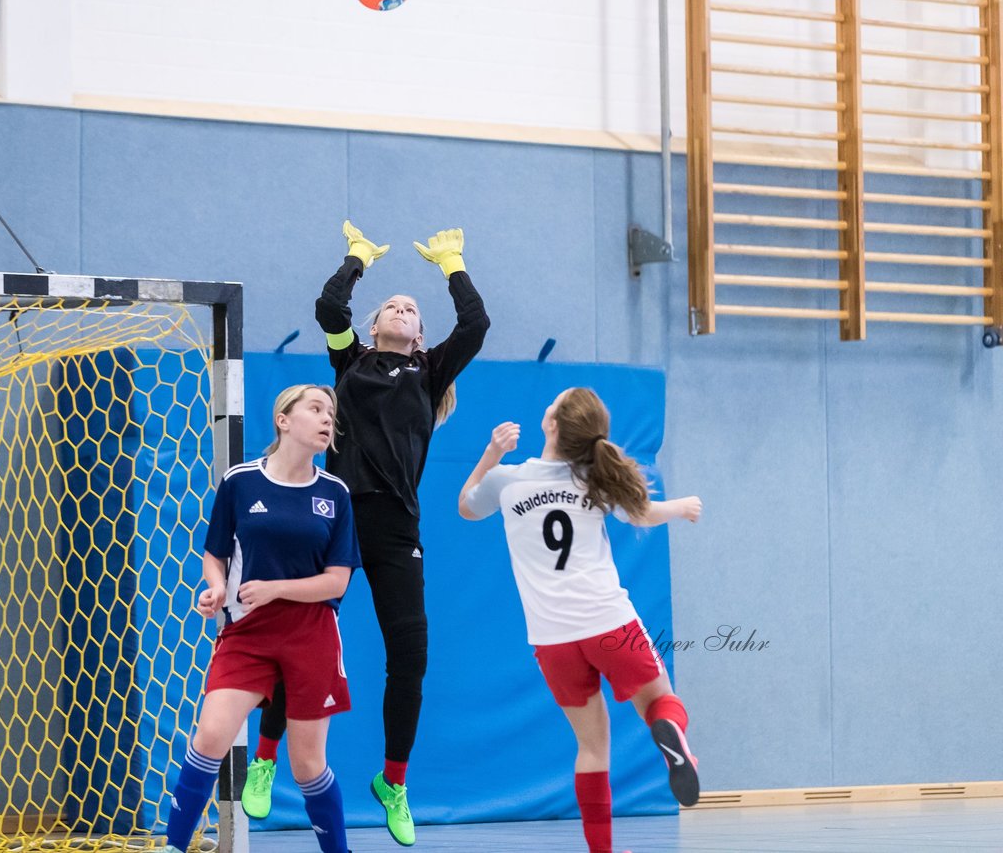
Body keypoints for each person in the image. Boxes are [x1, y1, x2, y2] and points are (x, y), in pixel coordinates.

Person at [241, 221, 490, 847]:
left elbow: (477, 325)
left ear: (420, 335)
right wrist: (356, 260)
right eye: (393, 306)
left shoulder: (430, 371)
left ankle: (394, 783)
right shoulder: (349, 360)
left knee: (411, 656)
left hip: (398, 527)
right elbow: (329, 307)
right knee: (297, 641)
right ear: (376, 325)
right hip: (337, 519)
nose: (403, 309)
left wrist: (452, 266)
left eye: (413, 309)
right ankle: (267, 756)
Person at [456, 387, 702, 853]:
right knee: (660, 701)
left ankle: (601, 852)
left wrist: (490, 454)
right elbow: (643, 514)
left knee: (591, 747)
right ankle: (671, 737)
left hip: (552, 639)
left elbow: (466, 507)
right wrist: (681, 507)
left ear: (551, 426)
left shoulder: (509, 481)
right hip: (608, 621)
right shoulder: (594, 479)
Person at [161, 384, 360, 853]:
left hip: (311, 635)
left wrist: (276, 590)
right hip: (247, 633)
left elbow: (337, 583)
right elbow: (215, 556)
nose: (327, 417)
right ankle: (174, 845)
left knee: (308, 764)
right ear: (283, 420)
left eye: (330, 411)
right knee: (210, 735)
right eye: (316, 408)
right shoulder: (240, 481)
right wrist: (213, 588)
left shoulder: (335, 493)